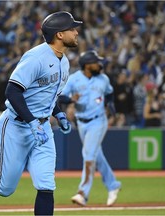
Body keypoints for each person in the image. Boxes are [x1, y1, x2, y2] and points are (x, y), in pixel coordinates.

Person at [0, 11, 82, 215]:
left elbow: (47, 95)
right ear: (59, 34)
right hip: (16, 125)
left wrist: (59, 114)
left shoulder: (63, 61)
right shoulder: (36, 57)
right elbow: (12, 90)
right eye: (72, 28)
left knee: (46, 184)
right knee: (4, 188)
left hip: (43, 127)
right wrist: (31, 122)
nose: (76, 32)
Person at [59, 50, 121, 207]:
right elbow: (61, 96)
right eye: (96, 62)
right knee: (96, 155)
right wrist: (71, 100)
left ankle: (83, 193)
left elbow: (110, 93)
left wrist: (111, 105)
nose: (99, 64)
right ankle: (113, 185)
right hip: (81, 122)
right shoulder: (74, 79)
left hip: (98, 121)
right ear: (87, 65)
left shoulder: (103, 79)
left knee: (88, 155)